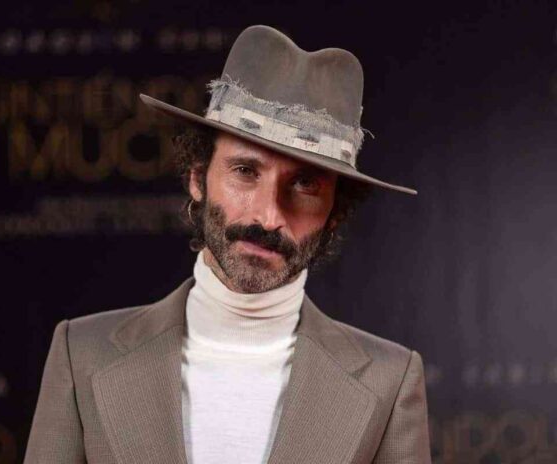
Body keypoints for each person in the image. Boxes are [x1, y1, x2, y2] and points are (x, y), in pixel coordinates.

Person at [24, 25, 431, 464]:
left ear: (334, 214)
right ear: (198, 178)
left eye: (305, 185)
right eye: (245, 171)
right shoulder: (82, 353)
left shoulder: (389, 381)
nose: (268, 217)